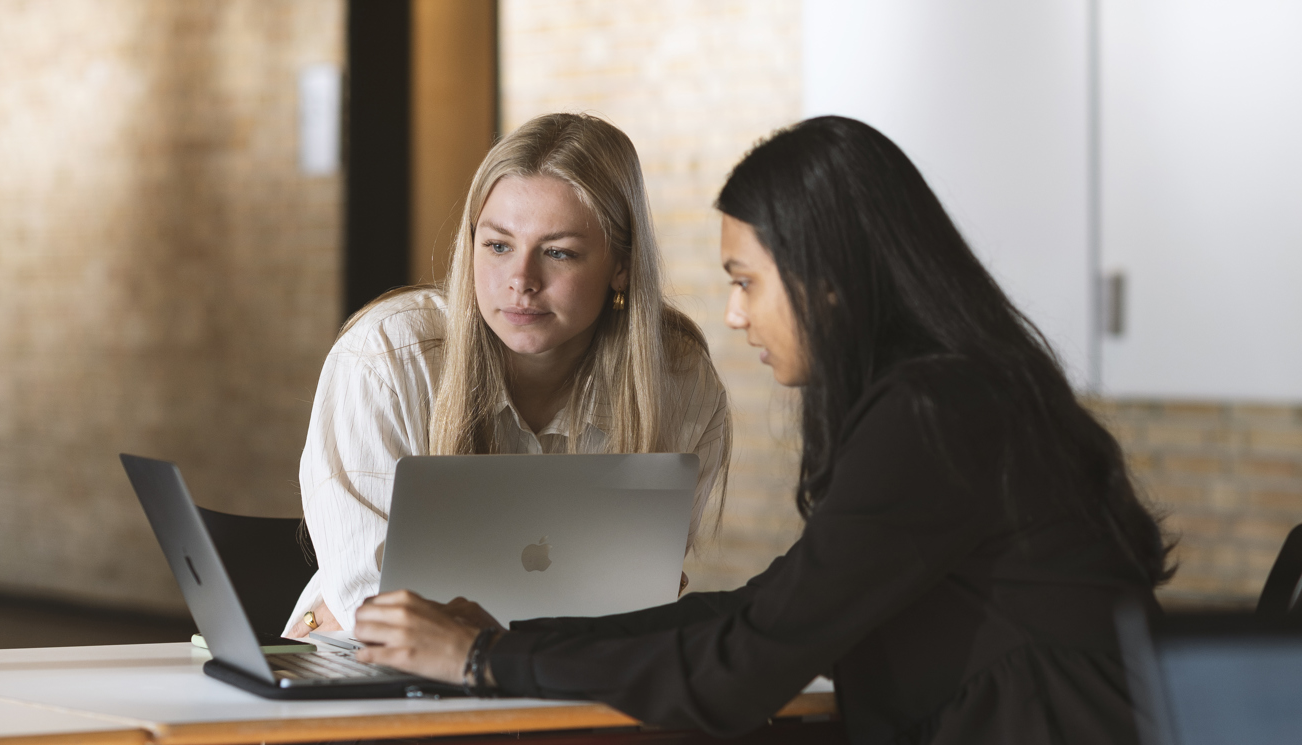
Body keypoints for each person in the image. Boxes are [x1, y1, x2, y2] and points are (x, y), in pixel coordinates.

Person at [350, 116, 1173, 744]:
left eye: (748, 281)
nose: (735, 315)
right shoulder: (954, 394)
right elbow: (760, 607)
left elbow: (740, 667)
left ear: (831, 280)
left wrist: (479, 660)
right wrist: (502, 639)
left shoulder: (935, 416)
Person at [283, 113, 733, 639]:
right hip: (368, 671)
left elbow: (637, 598)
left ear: (621, 266)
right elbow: (373, 600)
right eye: (498, 246)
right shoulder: (386, 356)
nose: (521, 281)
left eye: (558, 253)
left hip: (563, 678)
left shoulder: (677, 379)